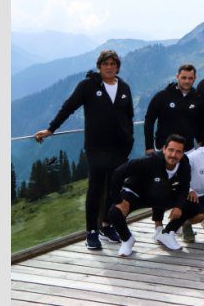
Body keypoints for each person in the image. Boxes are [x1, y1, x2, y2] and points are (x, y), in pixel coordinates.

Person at [34, 50, 133, 250]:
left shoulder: (124, 87)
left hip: (119, 148)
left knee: (114, 188)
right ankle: (91, 232)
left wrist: (129, 140)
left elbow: (128, 116)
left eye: (113, 64)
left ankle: (106, 225)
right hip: (96, 147)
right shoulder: (87, 86)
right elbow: (68, 107)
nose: (109, 67)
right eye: (105, 64)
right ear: (99, 66)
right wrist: (51, 129)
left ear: (117, 67)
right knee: (95, 189)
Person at [108, 134, 200, 256]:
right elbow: (119, 172)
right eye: (171, 150)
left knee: (191, 205)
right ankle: (127, 240)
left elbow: (184, 188)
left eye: (178, 152)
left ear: (183, 154)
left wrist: (178, 207)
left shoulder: (184, 165)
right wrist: (118, 201)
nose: (173, 155)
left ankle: (167, 233)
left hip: (159, 195)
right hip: (137, 194)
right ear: (164, 149)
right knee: (115, 212)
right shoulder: (150, 160)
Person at [144, 63, 202, 153]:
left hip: (188, 150)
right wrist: (149, 146)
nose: (187, 81)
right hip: (164, 149)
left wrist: (201, 143)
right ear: (177, 77)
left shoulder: (198, 98)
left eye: (190, 78)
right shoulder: (162, 96)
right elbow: (149, 121)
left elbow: (201, 122)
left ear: (195, 78)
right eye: (184, 78)